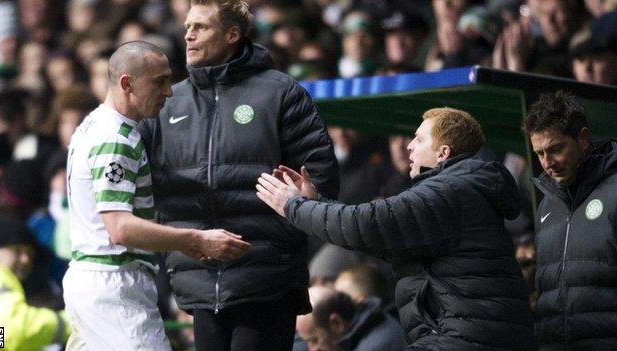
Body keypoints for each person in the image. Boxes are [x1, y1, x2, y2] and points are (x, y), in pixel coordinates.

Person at [137, 1, 338, 350]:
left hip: (266, 281)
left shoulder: (282, 93)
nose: (189, 34)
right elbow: (142, 180)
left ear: (232, 35)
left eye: (201, 27)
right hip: (198, 283)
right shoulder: (170, 101)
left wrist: (273, 246)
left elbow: (319, 182)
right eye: (187, 26)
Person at [257, 107, 536, 350]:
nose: (409, 146)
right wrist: (315, 202)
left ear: (443, 152)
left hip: (466, 339)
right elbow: (378, 231)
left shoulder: (448, 191)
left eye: (419, 139)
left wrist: (294, 207)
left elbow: (365, 224)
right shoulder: (461, 188)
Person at [62, 41, 250, 350]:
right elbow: (120, 228)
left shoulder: (92, 126)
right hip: (114, 284)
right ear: (127, 84)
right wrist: (196, 240)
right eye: (159, 81)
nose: (169, 91)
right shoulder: (115, 139)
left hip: (94, 280)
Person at [523, 91, 617, 350]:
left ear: (583, 139)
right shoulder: (546, 205)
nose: (547, 163)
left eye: (555, 149)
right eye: (539, 153)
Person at [0, 215, 70, 351]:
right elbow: (4, 330)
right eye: (17, 251)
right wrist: (70, 323)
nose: (25, 260)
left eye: (29, 254)